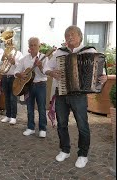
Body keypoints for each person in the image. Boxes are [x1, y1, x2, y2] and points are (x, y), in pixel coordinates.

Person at [43, 25, 107, 168]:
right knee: (62, 124)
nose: (69, 37)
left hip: (79, 95)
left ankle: (83, 154)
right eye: (67, 35)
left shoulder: (90, 51)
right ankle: (65, 150)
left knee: (82, 125)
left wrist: (103, 78)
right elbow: (46, 67)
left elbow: (100, 74)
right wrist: (51, 73)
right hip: (61, 92)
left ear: (80, 36)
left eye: (72, 34)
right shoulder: (60, 52)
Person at [14, 37, 48, 137]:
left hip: (41, 85)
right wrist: (20, 75)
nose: (33, 47)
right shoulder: (24, 59)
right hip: (28, 86)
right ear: (29, 47)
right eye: (31, 45)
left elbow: (46, 74)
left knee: (41, 108)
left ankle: (42, 129)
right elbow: (16, 71)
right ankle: (30, 127)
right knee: (29, 108)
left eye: (35, 45)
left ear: (39, 46)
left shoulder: (44, 58)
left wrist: (41, 66)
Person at [0, 30, 23, 124]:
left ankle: (13, 117)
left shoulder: (18, 53)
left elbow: (22, 67)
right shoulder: (3, 53)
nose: (6, 42)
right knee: (6, 97)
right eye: (5, 41)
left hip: (14, 77)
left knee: (13, 97)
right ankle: (8, 115)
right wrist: (2, 60)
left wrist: (14, 62)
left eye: (8, 40)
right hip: (5, 77)